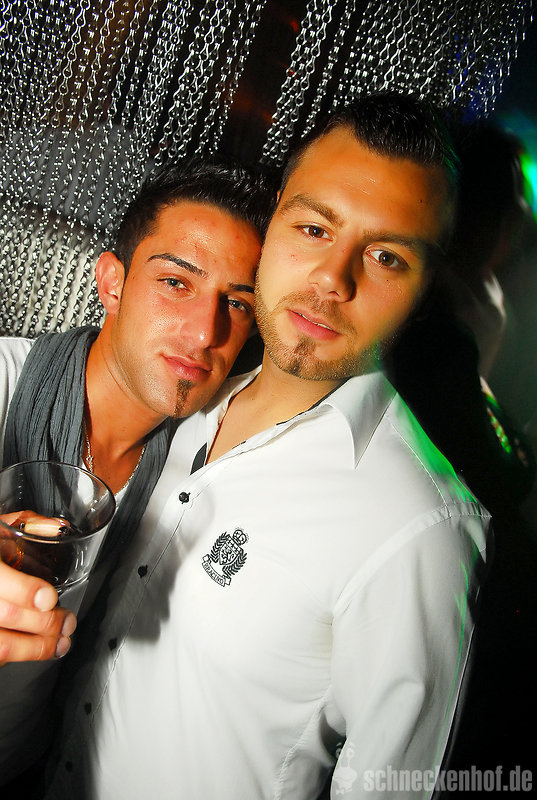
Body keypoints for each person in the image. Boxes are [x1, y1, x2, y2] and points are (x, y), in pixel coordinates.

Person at [45, 93, 491, 800]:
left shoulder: (419, 527)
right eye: (314, 228)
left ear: (423, 287)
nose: (332, 281)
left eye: (385, 256)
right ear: (275, 216)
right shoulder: (185, 403)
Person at [0, 158, 275, 787]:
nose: (205, 333)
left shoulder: (198, 465)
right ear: (112, 283)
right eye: (177, 282)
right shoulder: (7, 383)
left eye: (236, 303)